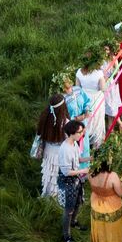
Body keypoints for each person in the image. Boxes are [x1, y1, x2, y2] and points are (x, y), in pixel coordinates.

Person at [88, 142, 122, 242]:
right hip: (111, 208)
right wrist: (121, 184)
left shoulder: (90, 172)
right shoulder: (112, 176)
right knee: (113, 233)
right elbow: (121, 193)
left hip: (96, 205)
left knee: (101, 230)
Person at [33, 70, 74, 198]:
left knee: (49, 173)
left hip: (47, 151)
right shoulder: (66, 123)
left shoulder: (45, 118)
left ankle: (48, 195)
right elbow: (70, 140)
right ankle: (58, 198)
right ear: (63, 108)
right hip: (60, 154)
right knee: (57, 175)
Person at [56, 120, 89, 242]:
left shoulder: (74, 143)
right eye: (80, 132)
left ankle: (74, 222)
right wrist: (83, 171)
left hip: (76, 179)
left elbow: (78, 159)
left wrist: (89, 158)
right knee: (68, 209)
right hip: (68, 181)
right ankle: (66, 235)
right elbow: (66, 172)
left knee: (78, 202)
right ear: (71, 133)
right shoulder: (65, 149)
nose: (82, 134)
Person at [75, 52, 108, 151]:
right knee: (97, 120)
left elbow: (77, 87)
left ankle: (84, 141)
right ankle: (97, 144)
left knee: (87, 119)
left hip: (84, 98)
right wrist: (105, 79)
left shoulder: (79, 72)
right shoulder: (98, 73)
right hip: (96, 98)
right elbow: (103, 88)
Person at [99, 41, 122, 135]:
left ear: (110, 50)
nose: (105, 51)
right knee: (110, 107)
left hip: (112, 84)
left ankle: (113, 128)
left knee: (112, 106)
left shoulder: (113, 58)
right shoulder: (100, 60)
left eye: (107, 49)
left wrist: (112, 73)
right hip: (103, 84)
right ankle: (118, 126)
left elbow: (118, 70)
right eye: (104, 49)